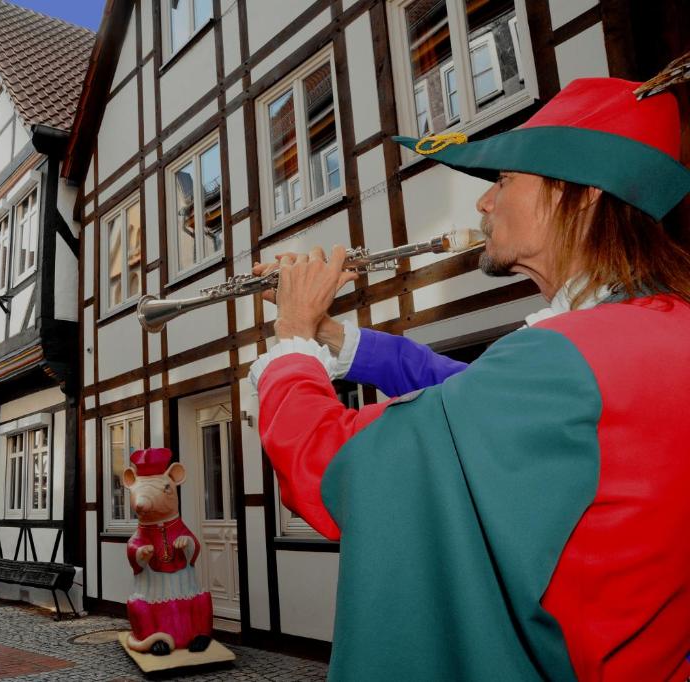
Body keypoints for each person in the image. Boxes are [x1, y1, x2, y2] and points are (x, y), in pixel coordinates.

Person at [249, 76, 690, 681]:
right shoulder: (647, 333)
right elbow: (469, 392)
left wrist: (292, 338)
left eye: (504, 180)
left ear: (579, 195)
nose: (484, 203)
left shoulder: (562, 360)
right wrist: (332, 336)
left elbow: (333, 466)